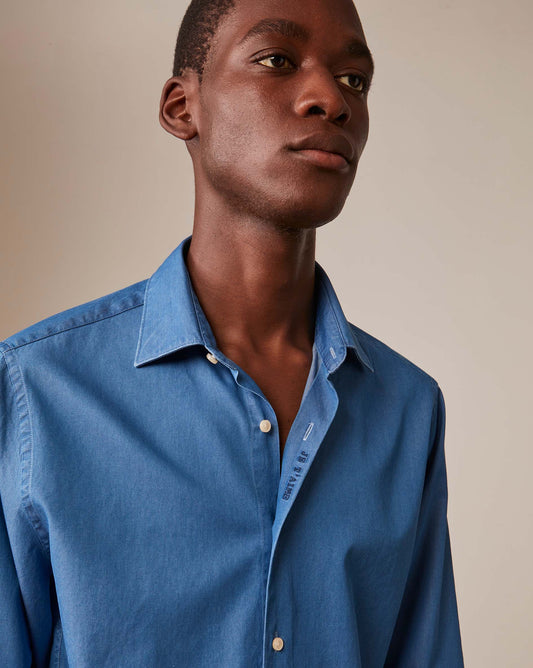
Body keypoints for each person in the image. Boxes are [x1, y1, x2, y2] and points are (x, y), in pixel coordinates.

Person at [0, 0, 464, 665]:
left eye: (354, 80)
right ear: (181, 108)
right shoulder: (36, 393)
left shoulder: (407, 409)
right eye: (277, 60)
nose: (331, 99)